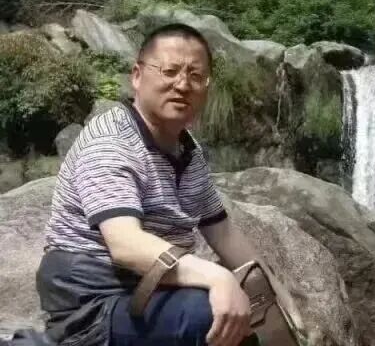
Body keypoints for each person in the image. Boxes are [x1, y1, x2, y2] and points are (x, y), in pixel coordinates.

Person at [35, 23, 261, 346]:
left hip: (155, 287)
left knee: (246, 314)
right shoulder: (110, 139)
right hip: (95, 301)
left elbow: (223, 233)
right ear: (137, 76)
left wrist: (276, 297)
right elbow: (126, 244)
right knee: (211, 315)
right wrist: (217, 276)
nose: (182, 84)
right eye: (169, 71)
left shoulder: (188, 151)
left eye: (196, 75)